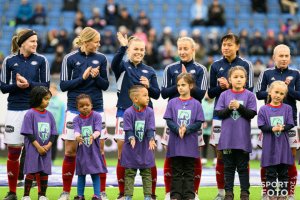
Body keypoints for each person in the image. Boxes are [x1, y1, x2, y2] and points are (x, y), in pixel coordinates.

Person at [58, 27, 110, 200]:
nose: (99, 44)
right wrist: (83, 77)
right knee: (70, 151)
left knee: (100, 151)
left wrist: (96, 77)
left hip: (97, 110)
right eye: (96, 41)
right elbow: (63, 86)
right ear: (86, 41)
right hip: (74, 109)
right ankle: (66, 191)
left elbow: (105, 86)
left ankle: (101, 192)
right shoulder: (69, 58)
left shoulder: (102, 58)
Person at [0, 29, 50, 200]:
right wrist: (16, 85)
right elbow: (4, 87)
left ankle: (38, 194)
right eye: (32, 41)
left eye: (36, 41)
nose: (35, 44)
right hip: (14, 110)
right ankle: (12, 192)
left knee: (36, 152)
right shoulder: (9, 61)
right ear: (22, 43)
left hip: (35, 111)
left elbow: (46, 87)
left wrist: (29, 84)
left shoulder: (42, 60)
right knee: (14, 152)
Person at [112, 32, 160, 200]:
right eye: (135, 49)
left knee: (148, 154)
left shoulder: (150, 70)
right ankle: (122, 192)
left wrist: (149, 86)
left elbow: (156, 94)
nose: (138, 52)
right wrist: (123, 47)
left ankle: (151, 193)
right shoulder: (122, 66)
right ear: (129, 50)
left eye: (141, 49)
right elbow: (114, 63)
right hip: (124, 112)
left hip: (146, 115)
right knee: (122, 152)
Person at [160, 36, 208, 200]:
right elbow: (164, 93)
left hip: (193, 120)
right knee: (171, 156)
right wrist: (180, 81)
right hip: (173, 119)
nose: (182, 52)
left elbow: (202, 94)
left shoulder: (200, 69)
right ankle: (170, 192)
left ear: (193, 50)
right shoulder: (170, 69)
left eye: (186, 48)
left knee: (194, 158)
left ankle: (193, 192)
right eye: (180, 48)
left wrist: (188, 80)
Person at [207, 33, 253, 200]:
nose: (226, 47)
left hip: (240, 117)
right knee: (220, 154)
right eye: (224, 44)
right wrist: (223, 88)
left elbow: (251, 90)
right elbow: (210, 94)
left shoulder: (246, 65)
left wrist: (232, 86)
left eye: (229, 44)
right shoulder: (215, 65)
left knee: (241, 156)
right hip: (220, 116)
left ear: (237, 46)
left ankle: (244, 191)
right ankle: (222, 191)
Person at [255, 44, 300, 200]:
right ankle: (267, 191)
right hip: (269, 123)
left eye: (287, 56)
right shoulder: (266, 73)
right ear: (274, 57)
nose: (284, 59)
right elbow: (258, 93)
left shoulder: (296, 73)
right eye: (280, 56)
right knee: (268, 157)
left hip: (290, 122)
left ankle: (289, 192)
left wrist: (287, 89)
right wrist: (272, 89)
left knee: (289, 158)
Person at [215, 66, 257, 200]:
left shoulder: (250, 95)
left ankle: (245, 193)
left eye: (241, 77)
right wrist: (229, 108)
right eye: (235, 77)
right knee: (228, 168)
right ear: (230, 80)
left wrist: (239, 107)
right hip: (227, 140)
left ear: (246, 80)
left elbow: (251, 114)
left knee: (243, 168)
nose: (238, 79)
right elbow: (219, 114)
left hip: (242, 140)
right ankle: (229, 193)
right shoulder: (224, 95)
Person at [163, 72, 204, 200]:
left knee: (189, 171)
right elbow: (169, 121)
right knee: (175, 171)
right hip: (175, 143)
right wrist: (177, 129)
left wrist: (186, 129)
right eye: (178, 85)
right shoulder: (172, 102)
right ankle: (175, 195)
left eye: (183, 85)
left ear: (190, 86)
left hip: (190, 144)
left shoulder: (197, 104)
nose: (180, 88)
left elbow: (198, 123)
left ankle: (189, 195)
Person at [257, 81, 295, 200]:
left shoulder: (288, 108)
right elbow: (262, 126)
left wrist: (282, 127)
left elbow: (290, 124)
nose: (278, 95)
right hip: (269, 146)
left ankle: (283, 195)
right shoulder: (263, 109)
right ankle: (272, 195)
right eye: (276, 92)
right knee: (270, 173)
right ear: (270, 92)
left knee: (284, 173)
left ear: (284, 96)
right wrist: (272, 128)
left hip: (283, 146)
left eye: (281, 93)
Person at [20, 86, 57, 200]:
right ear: (38, 98)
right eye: (45, 99)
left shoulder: (50, 115)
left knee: (44, 172)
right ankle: (26, 195)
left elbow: (53, 133)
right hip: (33, 149)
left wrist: (48, 146)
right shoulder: (30, 114)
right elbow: (28, 133)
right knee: (31, 171)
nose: (47, 102)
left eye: (48, 99)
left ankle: (42, 195)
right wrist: (38, 147)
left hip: (46, 150)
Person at [120, 85, 156, 200]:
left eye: (148, 95)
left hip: (145, 148)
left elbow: (150, 128)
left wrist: (151, 139)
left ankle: (147, 196)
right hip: (131, 149)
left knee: (146, 173)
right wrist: (131, 138)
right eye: (145, 95)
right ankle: (128, 196)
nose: (148, 98)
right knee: (130, 173)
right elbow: (128, 129)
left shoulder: (150, 112)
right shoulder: (128, 112)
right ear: (135, 99)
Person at [73, 94, 107, 200]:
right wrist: (77, 137)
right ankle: (80, 195)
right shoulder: (76, 119)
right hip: (82, 151)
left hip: (94, 150)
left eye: (87, 105)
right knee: (81, 174)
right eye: (82, 106)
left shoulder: (97, 116)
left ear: (91, 105)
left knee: (95, 173)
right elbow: (76, 131)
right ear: (77, 108)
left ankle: (97, 195)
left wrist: (94, 136)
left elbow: (98, 130)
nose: (85, 107)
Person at [48, 83, 65, 161]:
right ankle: (44, 161)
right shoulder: (45, 100)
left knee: (53, 145)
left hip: (56, 128)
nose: (52, 91)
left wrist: (60, 128)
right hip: (45, 128)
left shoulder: (61, 103)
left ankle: (52, 161)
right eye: (50, 90)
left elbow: (62, 116)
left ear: (56, 91)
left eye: (53, 90)